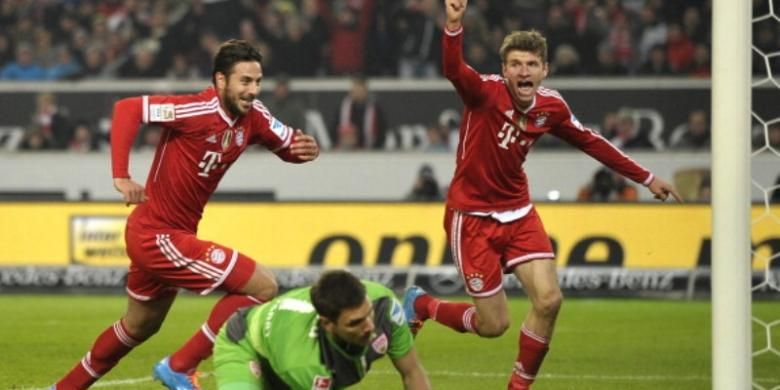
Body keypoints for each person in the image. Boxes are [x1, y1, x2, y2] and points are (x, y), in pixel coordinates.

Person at [402, 2, 682, 389]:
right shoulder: (483, 93)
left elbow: (592, 142)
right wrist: (453, 25)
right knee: (493, 325)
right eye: (515, 64)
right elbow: (454, 69)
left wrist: (647, 177)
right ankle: (423, 305)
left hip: (518, 212)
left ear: (544, 70)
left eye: (532, 64)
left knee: (549, 300)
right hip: (472, 217)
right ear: (504, 70)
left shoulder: (551, 106)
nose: (523, 71)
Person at [51, 39, 320, 390]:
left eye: (257, 82)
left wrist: (307, 149)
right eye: (244, 81)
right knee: (263, 286)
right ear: (220, 80)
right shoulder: (194, 110)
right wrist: (120, 175)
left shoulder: (254, 116)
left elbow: (288, 145)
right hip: (158, 235)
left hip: (166, 234)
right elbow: (128, 109)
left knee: (138, 327)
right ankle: (180, 366)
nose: (253, 90)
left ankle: (62, 389)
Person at [213, 269, 431, 389]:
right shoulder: (305, 364)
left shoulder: (384, 306)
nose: (369, 328)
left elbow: (412, 372)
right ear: (327, 324)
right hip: (244, 344)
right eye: (354, 323)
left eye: (367, 314)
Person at [330, 75, 387, 150]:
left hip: (370, 150)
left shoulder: (375, 108)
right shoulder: (342, 107)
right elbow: (334, 128)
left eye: (360, 89)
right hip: (346, 151)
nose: (358, 92)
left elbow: (382, 131)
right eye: (356, 89)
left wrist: (375, 148)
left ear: (366, 91)